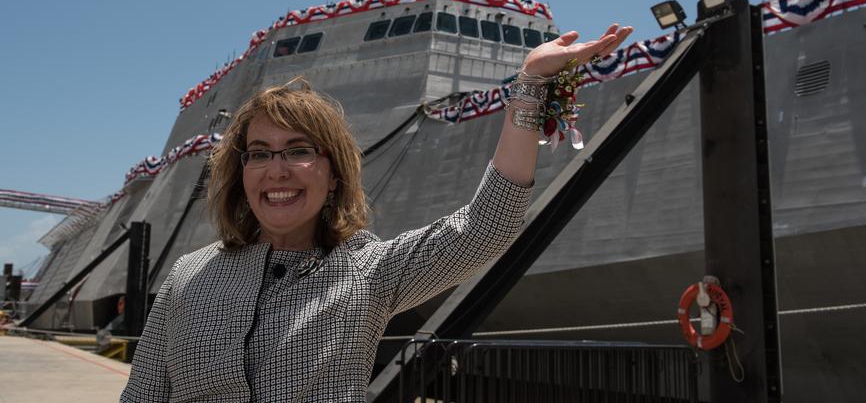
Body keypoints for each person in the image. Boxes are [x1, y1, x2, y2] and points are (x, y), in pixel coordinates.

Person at [121, 25, 633, 402]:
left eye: (299, 150)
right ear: (241, 172)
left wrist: (528, 85)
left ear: (333, 172)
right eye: (259, 153)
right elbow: (141, 396)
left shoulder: (369, 272)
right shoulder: (187, 278)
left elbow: (488, 227)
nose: (276, 170)